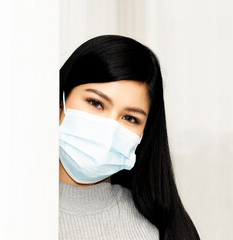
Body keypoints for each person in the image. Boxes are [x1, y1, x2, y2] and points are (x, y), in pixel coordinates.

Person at [58, 35, 200, 240]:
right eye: (96, 103)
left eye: (130, 118)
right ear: (61, 100)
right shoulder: (11, 209)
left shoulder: (158, 229)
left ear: (144, 133)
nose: (110, 129)